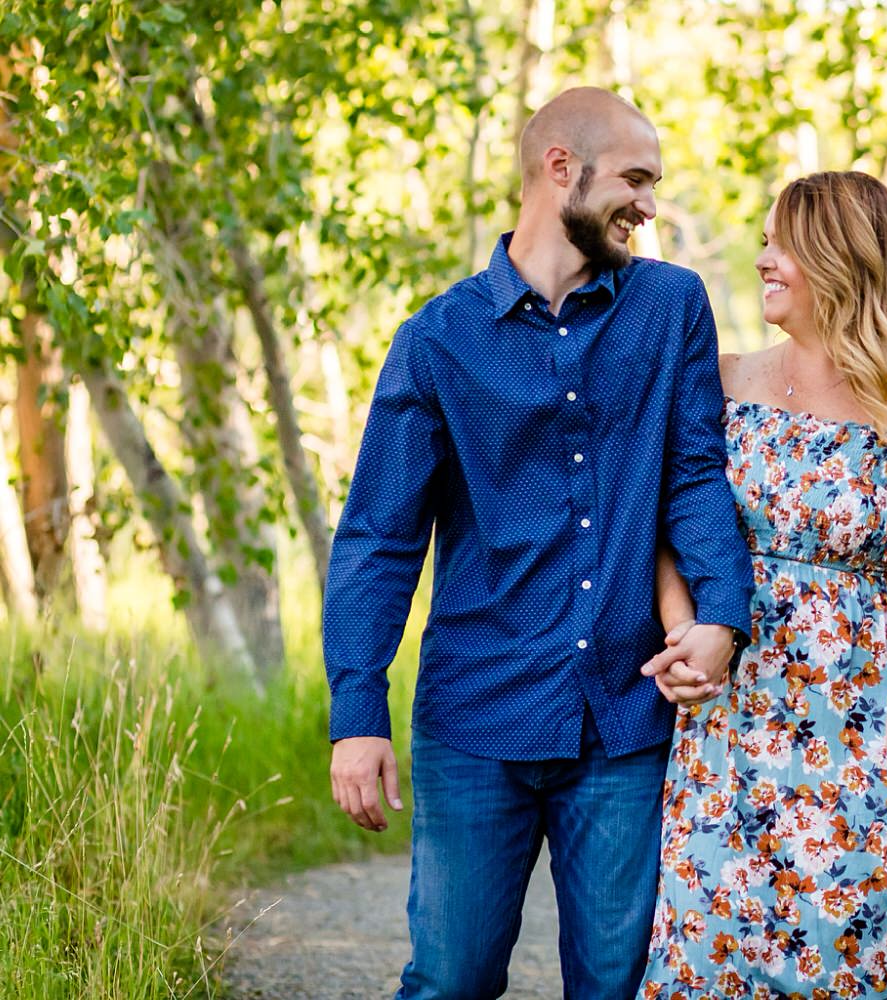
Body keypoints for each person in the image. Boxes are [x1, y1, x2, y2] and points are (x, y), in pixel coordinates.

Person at [321, 87, 753, 1000]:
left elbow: (693, 472)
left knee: (620, 983)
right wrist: (357, 713)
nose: (646, 204)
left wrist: (722, 612)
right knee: (452, 979)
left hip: (624, 722)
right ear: (561, 168)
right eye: (634, 180)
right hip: (478, 714)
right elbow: (378, 540)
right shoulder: (438, 340)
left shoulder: (671, 306)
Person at [635, 171, 887, 998]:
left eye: (780, 243)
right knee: (710, 943)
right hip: (729, 706)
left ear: (840, 258)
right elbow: (667, 526)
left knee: (848, 946)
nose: (763, 259)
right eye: (762, 241)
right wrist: (682, 632)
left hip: (856, 721)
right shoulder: (717, 383)